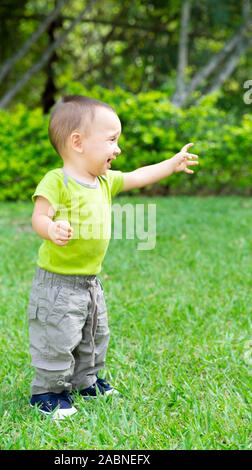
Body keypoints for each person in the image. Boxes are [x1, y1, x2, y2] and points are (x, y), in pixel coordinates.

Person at [28, 95, 199, 420]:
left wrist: (172, 164)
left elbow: (139, 175)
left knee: (94, 332)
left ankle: (86, 381)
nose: (117, 148)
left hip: (90, 281)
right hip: (57, 284)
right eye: (111, 140)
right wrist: (51, 229)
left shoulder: (104, 182)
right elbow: (38, 217)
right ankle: (48, 392)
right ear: (77, 142)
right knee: (57, 336)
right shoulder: (57, 181)